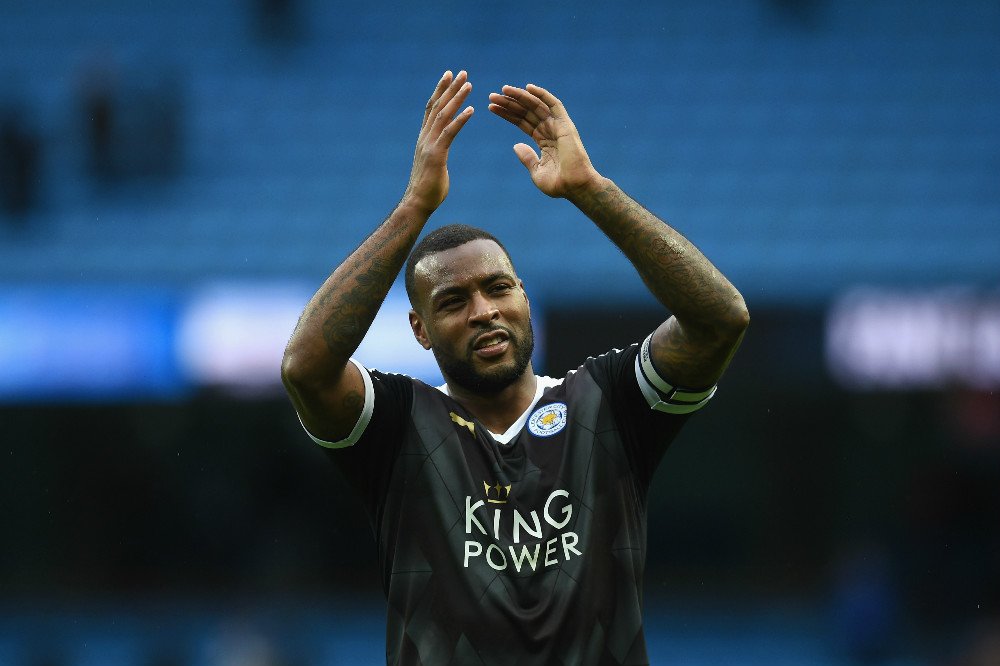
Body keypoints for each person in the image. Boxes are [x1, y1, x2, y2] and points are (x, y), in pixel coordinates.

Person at [282, 69, 749, 665]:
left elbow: (721, 320)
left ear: (524, 297)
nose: (484, 312)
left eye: (498, 288)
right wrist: (414, 207)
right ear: (420, 330)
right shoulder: (400, 427)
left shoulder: (607, 403)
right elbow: (306, 367)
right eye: (453, 302)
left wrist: (590, 189)